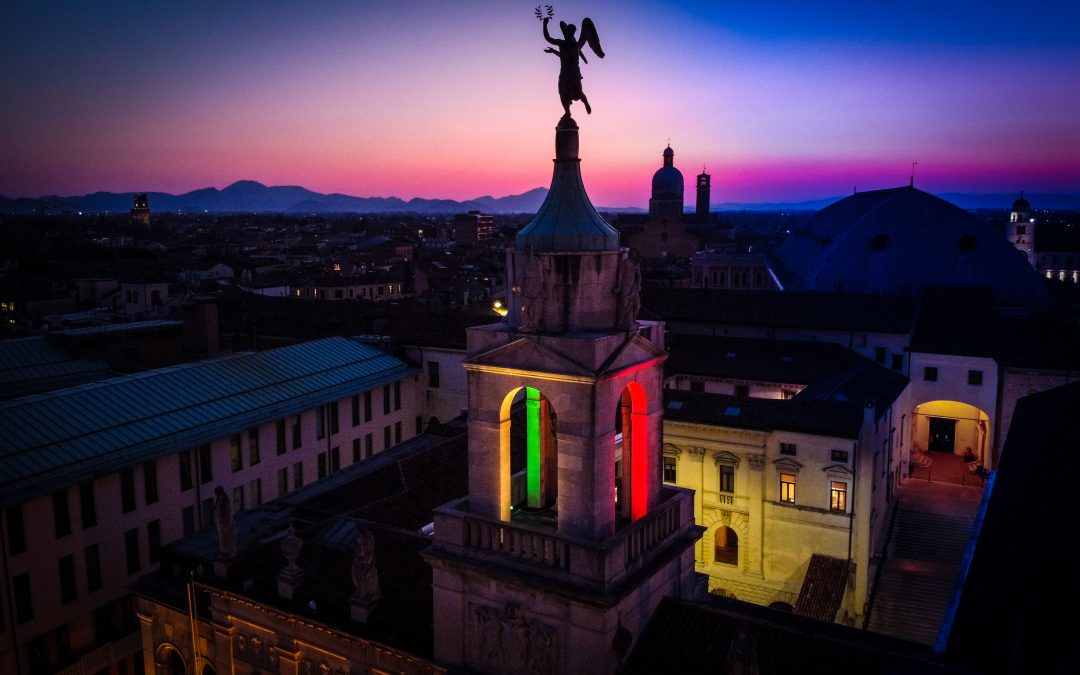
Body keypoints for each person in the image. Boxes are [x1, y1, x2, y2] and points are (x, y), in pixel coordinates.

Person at [542, 16, 603, 117]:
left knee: (578, 92)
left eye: (572, 32)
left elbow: (567, 56)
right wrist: (545, 24)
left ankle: (586, 103)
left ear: (573, 33)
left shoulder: (576, 45)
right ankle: (567, 112)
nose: (569, 34)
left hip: (574, 71)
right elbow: (548, 38)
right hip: (564, 71)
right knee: (562, 92)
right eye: (568, 32)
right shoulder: (562, 42)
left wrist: (553, 51)